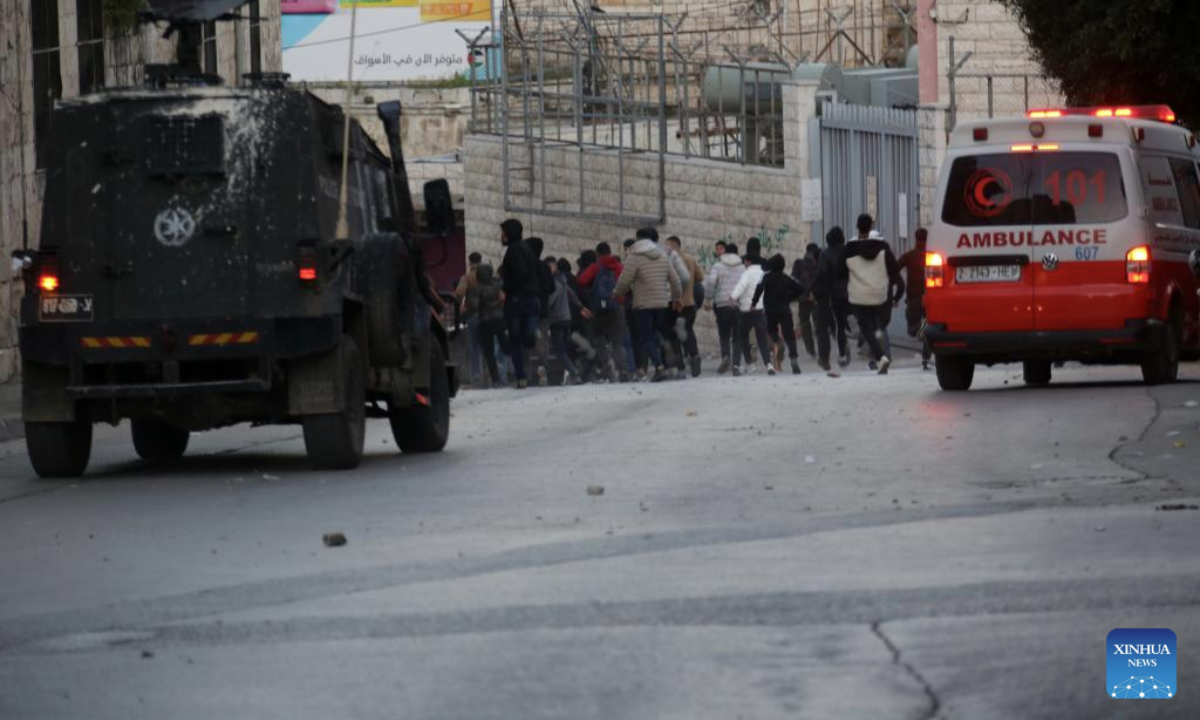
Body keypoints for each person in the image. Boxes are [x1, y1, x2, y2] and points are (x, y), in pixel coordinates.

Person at [612, 232, 682, 382]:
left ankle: (659, 367)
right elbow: (676, 281)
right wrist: (676, 298)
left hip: (642, 304)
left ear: (638, 240)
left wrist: (616, 294)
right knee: (655, 332)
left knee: (645, 336)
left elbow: (624, 281)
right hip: (662, 304)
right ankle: (666, 346)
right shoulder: (663, 256)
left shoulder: (634, 257)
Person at [844, 214, 904, 375]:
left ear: (858, 227)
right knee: (879, 325)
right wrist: (896, 292)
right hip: (879, 294)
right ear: (871, 227)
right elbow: (894, 271)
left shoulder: (849, 248)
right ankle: (883, 354)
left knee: (866, 328)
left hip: (859, 295)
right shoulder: (883, 247)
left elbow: (841, 272)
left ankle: (879, 357)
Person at [498, 219, 540, 389]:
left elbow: (519, 275)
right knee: (525, 336)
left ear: (509, 233)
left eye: (503, 232)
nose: (501, 236)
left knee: (515, 340)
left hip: (516, 300)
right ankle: (531, 336)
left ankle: (521, 377)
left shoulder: (513, 251)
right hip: (531, 299)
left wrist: (504, 288)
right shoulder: (527, 248)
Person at [577, 241, 626, 383]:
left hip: (598, 308)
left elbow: (581, 280)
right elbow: (626, 284)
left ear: (598, 254)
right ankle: (623, 369)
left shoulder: (595, 267)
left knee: (598, 337)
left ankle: (607, 362)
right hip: (616, 307)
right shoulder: (619, 267)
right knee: (617, 341)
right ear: (610, 252)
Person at [754, 253, 805, 375]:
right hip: (784, 310)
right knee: (790, 335)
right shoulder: (786, 277)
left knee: (771, 331)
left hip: (770, 310)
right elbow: (800, 288)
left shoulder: (766, 277)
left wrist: (754, 302)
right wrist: (790, 297)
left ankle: (778, 342)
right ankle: (793, 358)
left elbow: (759, 288)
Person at [703, 242, 746, 374]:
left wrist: (708, 298)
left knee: (724, 334)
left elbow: (710, 282)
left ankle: (726, 357)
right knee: (737, 336)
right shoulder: (743, 267)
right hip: (737, 305)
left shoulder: (718, 266)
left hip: (721, 305)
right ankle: (736, 366)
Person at [665, 236, 705, 377]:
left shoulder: (670, 261)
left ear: (673, 246)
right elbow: (700, 277)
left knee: (674, 334)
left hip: (674, 304)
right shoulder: (690, 259)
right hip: (689, 303)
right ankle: (694, 356)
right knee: (688, 330)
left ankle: (680, 365)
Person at [813, 227, 851, 375]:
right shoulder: (849, 251)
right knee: (851, 321)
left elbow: (821, 274)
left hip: (834, 295)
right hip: (852, 292)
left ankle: (841, 354)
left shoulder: (825, 254)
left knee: (837, 324)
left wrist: (812, 290)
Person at [463, 263, 508, 387]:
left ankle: (495, 380)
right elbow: (504, 297)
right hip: (499, 320)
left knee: (489, 354)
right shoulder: (497, 285)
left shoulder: (476, 289)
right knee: (505, 346)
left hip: (485, 322)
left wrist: (465, 310)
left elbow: (474, 306)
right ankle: (506, 372)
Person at [545, 258, 589, 385]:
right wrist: (581, 307)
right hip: (567, 319)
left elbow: (550, 301)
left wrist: (543, 309)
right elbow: (573, 296)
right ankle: (572, 372)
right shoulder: (563, 282)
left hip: (557, 319)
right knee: (564, 348)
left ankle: (574, 372)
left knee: (560, 350)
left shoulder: (554, 283)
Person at [896, 228, 933, 370]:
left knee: (912, 330)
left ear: (915, 238)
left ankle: (925, 357)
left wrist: (899, 285)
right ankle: (925, 333)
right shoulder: (933, 256)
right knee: (927, 327)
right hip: (929, 298)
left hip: (913, 298)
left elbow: (895, 268)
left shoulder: (909, 256)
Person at [730, 250, 771, 376]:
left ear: (748, 261)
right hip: (759, 310)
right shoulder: (762, 273)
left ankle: (749, 363)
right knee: (762, 339)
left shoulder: (747, 273)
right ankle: (769, 365)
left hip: (747, 311)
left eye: (744, 261)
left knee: (742, 336)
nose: (744, 264)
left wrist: (733, 297)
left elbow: (741, 286)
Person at [456, 252, 484, 386]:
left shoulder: (467, 277)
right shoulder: (489, 274)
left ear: (469, 262)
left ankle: (476, 375)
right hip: (490, 313)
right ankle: (492, 374)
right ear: (481, 260)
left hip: (473, 313)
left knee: (474, 345)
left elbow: (459, 293)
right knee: (489, 345)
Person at [792, 244, 820, 359]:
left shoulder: (798, 263)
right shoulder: (818, 263)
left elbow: (793, 280)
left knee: (805, 323)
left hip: (803, 298)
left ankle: (811, 350)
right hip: (816, 298)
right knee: (819, 324)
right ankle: (822, 348)